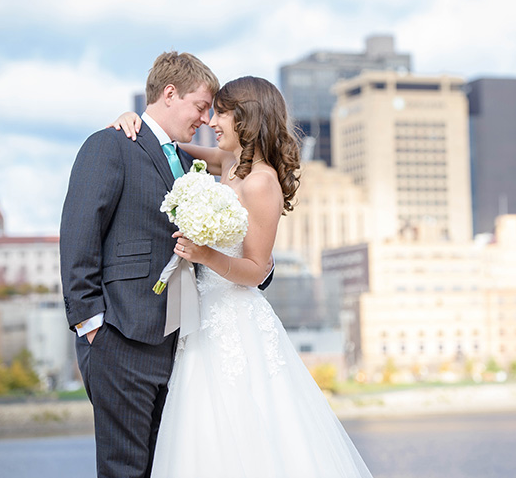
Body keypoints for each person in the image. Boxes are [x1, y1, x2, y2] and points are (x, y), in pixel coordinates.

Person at [113, 76, 374, 477]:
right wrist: (136, 122)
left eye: (220, 113)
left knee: (247, 431)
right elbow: (170, 148)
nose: (211, 121)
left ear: (247, 117)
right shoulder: (229, 163)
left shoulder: (261, 182)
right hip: (202, 321)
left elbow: (255, 269)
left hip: (236, 319)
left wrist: (204, 254)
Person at [60, 51, 226, 478]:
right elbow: (79, 235)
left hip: (178, 345)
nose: (205, 119)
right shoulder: (110, 144)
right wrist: (92, 326)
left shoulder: (191, 164)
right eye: (200, 106)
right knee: (124, 470)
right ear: (170, 94)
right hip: (121, 339)